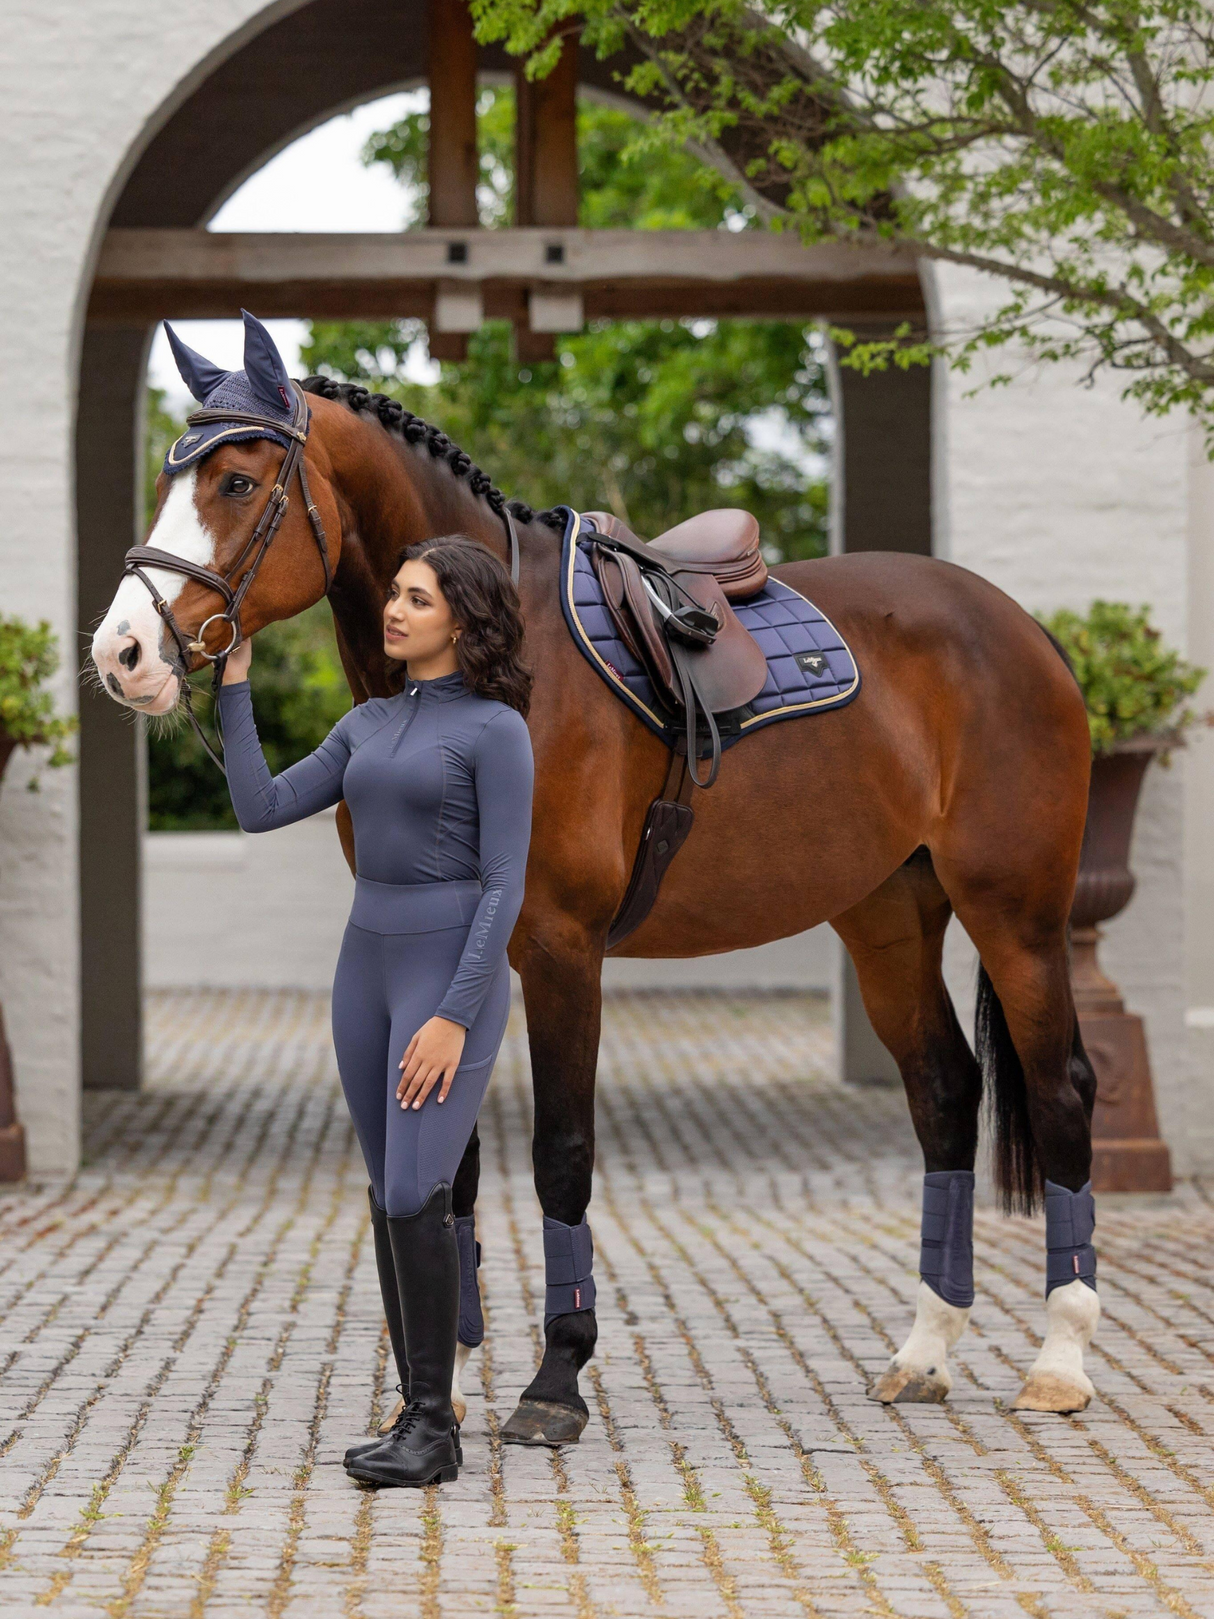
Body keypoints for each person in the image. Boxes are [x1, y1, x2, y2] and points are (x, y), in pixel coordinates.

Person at [217, 534, 534, 1488]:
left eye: (419, 599)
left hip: (446, 983)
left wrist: (454, 1012)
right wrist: (234, 685)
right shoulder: (364, 724)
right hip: (363, 973)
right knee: (389, 1191)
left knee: (412, 1193)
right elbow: (261, 807)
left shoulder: (497, 730)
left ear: (464, 620)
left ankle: (435, 1424)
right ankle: (418, 1412)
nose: (394, 610)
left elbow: (505, 885)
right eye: (395, 593)